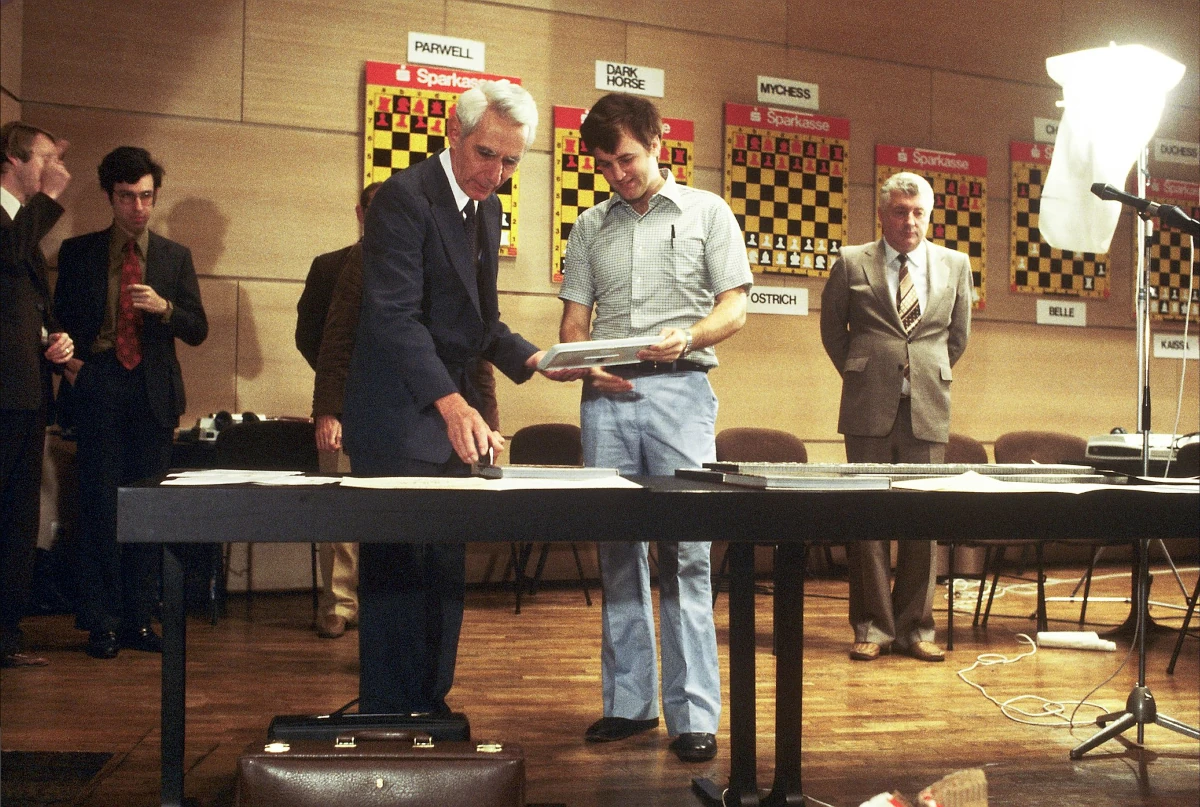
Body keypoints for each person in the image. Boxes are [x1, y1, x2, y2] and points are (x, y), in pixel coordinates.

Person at [341, 80, 580, 714]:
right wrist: (455, 405)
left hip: (451, 421)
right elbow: (394, 317)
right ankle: (388, 714)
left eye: (510, 162)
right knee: (396, 576)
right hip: (398, 419)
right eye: (485, 154)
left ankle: (432, 707)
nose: (496, 173)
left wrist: (542, 360)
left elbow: (480, 323)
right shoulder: (403, 198)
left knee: (446, 573)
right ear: (454, 132)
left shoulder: (486, 209)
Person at [557, 93, 753, 763]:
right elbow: (574, 324)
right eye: (606, 165)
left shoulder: (708, 212)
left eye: (628, 158)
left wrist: (688, 335)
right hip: (607, 400)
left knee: (686, 551)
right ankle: (629, 703)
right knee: (617, 549)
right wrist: (584, 367)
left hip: (681, 392)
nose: (618, 174)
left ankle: (694, 713)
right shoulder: (588, 227)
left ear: (658, 143)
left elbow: (735, 308)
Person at [55, 147, 208, 659]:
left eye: (146, 196)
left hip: (153, 393)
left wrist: (165, 308)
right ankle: (100, 622)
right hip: (99, 385)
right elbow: (59, 325)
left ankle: (139, 621)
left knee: (148, 511)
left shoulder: (173, 256)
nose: (138, 208)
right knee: (99, 509)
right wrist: (71, 368)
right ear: (110, 197)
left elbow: (198, 328)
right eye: (127, 197)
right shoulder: (79, 253)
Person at [819, 170, 972, 663]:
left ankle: (916, 629)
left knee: (922, 521)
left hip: (928, 403)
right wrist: (864, 370)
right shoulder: (850, 262)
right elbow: (832, 331)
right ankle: (873, 627)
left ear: (929, 215)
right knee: (868, 519)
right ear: (882, 213)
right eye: (901, 211)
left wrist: (925, 371)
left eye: (918, 212)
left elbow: (957, 338)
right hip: (867, 405)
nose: (910, 220)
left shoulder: (955, 264)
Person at [1, 122, 73, 668]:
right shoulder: (11, 224)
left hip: (28, 393)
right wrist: (48, 198)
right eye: (44, 158)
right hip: (3, 397)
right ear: (13, 157)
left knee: (20, 520)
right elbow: (7, 255)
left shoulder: (21, 226)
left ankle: (6, 635)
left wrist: (53, 338)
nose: (53, 170)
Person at [296, 182, 381, 639]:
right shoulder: (329, 266)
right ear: (359, 212)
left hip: (393, 410)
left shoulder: (408, 263)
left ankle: (380, 602)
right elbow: (311, 336)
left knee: (386, 509)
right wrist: (339, 390)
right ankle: (338, 604)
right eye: (374, 210)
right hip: (343, 404)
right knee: (341, 507)